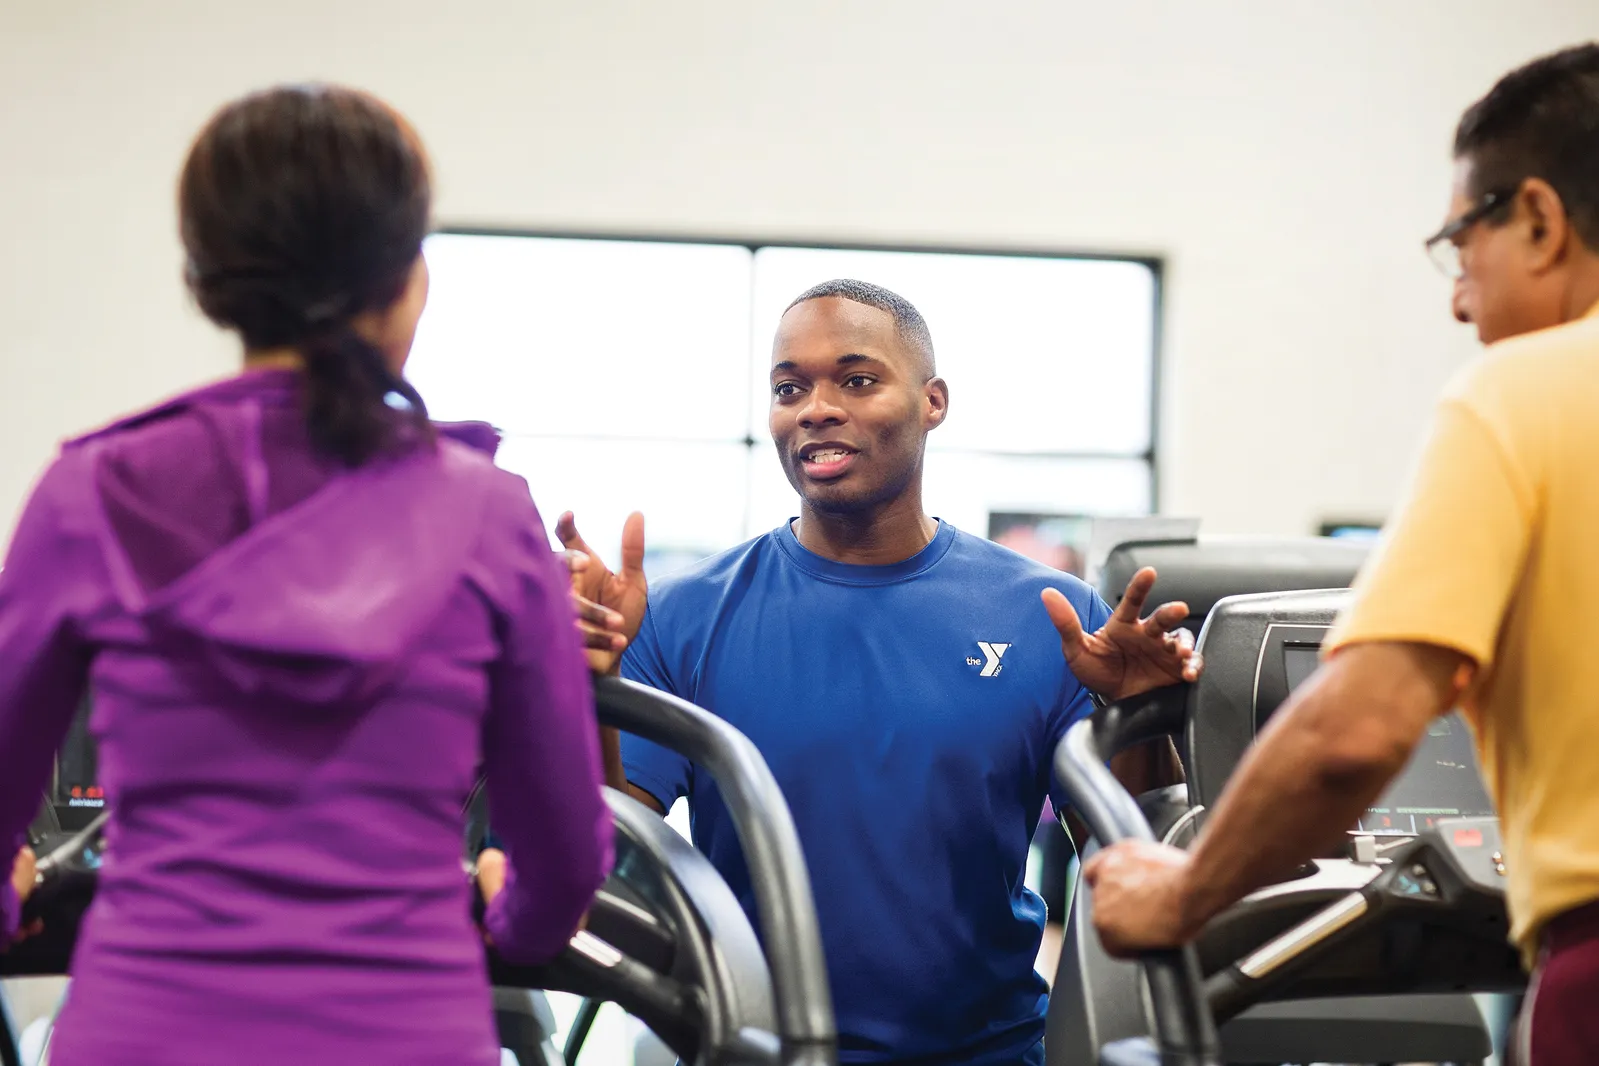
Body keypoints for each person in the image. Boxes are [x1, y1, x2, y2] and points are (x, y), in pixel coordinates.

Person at [0, 84, 615, 1066]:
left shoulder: (86, 494)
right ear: (407, 280)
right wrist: (519, 914)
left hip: (146, 1035)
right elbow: (566, 859)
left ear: (207, 281)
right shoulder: (491, 515)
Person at [1080, 42, 1599, 1066]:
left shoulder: (1526, 392)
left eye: (1460, 245)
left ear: (1538, 219)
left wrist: (1182, 892)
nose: (1459, 301)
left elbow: (1354, 734)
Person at [560, 278, 1198, 1065]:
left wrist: (1138, 715)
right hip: (753, 1048)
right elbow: (606, 870)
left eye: (857, 380)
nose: (815, 409)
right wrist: (587, 690)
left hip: (985, 1054)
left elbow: (1131, 866)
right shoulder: (682, 615)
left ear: (932, 402)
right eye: (789, 388)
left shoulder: (1051, 614)